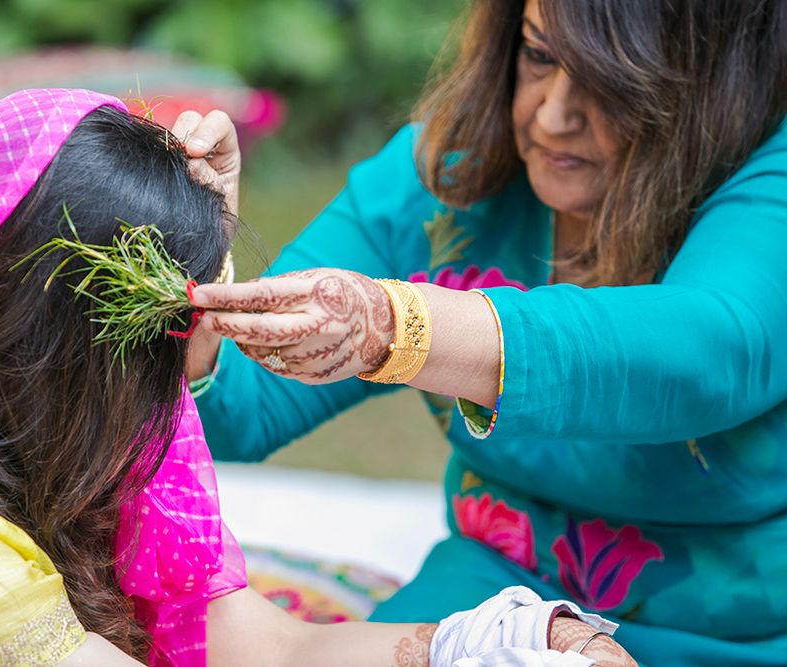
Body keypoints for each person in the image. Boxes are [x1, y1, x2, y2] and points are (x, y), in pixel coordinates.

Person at [0, 89, 633, 666]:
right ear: (66, 360)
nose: (188, 381)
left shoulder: (36, 450)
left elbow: (269, 649)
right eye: (176, 331)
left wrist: (495, 641)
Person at [179, 0, 787, 665]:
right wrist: (201, 278)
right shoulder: (448, 170)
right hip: (494, 595)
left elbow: (708, 353)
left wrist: (399, 327)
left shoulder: (767, 176)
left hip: (737, 632)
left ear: (711, 83)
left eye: (610, 80)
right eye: (539, 56)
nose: (553, 115)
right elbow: (239, 408)